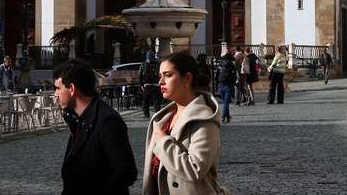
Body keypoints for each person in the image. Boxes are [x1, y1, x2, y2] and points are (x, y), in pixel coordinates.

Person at [143, 52, 224, 195]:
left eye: (168, 75)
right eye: (160, 76)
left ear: (187, 78)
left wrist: (163, 141)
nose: (161, 82)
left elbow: (194, 169)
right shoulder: (162, 119)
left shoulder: (204, 119)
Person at [54, 58, 137, 194]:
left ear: (72, 89)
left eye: (58, 88)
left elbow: (126, 171)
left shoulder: (107, 121)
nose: (55, 94)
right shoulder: (76, 119)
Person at [215, 49, 237, 123]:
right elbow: (234, 77)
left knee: (225, 103)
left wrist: (217, 84)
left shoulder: (220, 65)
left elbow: (216, 76)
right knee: (226, 103)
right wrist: (233, 83)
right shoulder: (231, 65)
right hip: (228, 86)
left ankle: (227, 117)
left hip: (220, 85)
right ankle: (223, 118)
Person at [139, 49, 163, 118]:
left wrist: (141, 85)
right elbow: (161, 74)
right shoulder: (158, 64)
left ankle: (146, 115)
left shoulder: (143, 64)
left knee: (145, 101)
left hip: (147, 85)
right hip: (156, 85)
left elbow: (140, 75)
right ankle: (158, 114)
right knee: (156, 101)